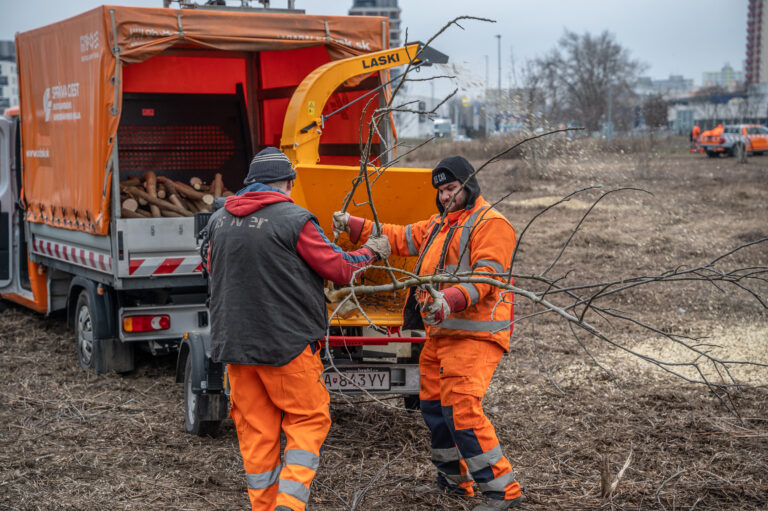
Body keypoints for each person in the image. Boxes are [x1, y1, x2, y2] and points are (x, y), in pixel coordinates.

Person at [204, 147, 391, 511]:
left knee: (258, 435)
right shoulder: (295, 219)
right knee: (309, 418)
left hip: (234, 348)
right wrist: (372, 252)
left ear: (250, 184)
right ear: (289, 182)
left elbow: (212, 269)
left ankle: (265, 506)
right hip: (286, 345)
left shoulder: (218, 221)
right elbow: (341, 269)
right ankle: (288, 505)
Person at [333, 155, 522, 510]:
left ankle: (501, 491)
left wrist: (449, 299)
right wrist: (351, 224)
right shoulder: (440, 225)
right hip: (441, 335)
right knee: (435, 409)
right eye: (441, 190)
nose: (446, 195)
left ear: (469, 185)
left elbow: (487, 278)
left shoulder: (491, 224)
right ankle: (453, 482)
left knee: (461, 410)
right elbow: (395, 236)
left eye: (452, 188)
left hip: (474, 335)